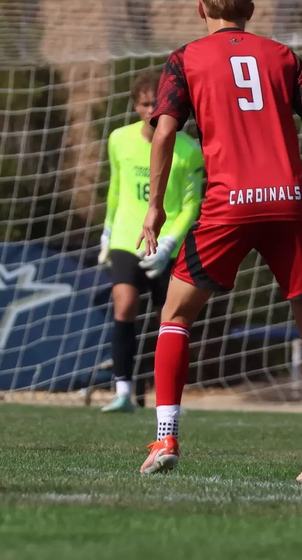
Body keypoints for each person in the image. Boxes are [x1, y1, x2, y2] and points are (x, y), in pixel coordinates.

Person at [137, 0, 302, 481]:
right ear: (251, 9)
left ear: (200, 8)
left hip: (229, 204)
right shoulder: (283, 56)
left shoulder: (185, 59)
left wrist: (155, 207)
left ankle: (166, 437)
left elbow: (163, 133)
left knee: (175, 316)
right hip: (289, 200)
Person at [98, 73, 204, 413]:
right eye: (145, 104)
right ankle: (123, 391)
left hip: (168, 241)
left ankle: (168, 396)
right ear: (135, 106)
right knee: (125, 304)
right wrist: (107, 230)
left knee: (171, 319)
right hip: (127, 236)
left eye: (157, 104)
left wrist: (170, 242)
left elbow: (191, 205)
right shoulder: (119, 139)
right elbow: (117, 188)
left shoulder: (189, 150)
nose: (151, 110)